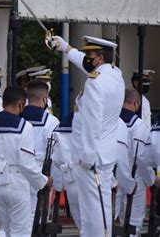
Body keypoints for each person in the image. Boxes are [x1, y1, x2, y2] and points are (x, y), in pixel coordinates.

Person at [53, 35, 125, 236]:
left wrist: (87, 157)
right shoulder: (114, 75)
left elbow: (91, 124)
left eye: (89, 55)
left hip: (91, 159)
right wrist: (66, 48)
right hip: (105, 154)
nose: (86, 58)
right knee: (100, 208)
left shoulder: (95, 83)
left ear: (99, 59)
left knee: (93, 212)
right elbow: (89, 68)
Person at [0, 85, 51, 237]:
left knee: (5, 230)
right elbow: (27, 163)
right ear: (21, 104)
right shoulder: (24, 126)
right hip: (17, 183)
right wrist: (43, 181)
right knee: (21, 232)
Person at [115, 89, 155, 236]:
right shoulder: (137, 125)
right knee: (133, 225)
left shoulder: (111, 120)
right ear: (136, 104)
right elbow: (141, 157)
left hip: (112, 177)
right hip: (134, 178)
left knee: (113, 224)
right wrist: (150, 179)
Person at [21, 80, 60, 219]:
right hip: (40, 175)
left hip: (17, 174)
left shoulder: (17, 117)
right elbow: (56, 154)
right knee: (35, 221)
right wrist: (55, 180)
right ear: (44, 98)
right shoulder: (51, 121)